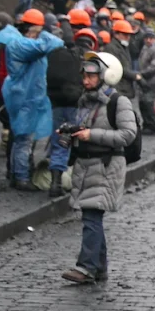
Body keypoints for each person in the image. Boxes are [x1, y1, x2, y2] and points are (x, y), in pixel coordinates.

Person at [60, 52, 138, 284]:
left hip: (106, 165)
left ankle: (86, 267)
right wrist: (71, 132)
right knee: (91, 214)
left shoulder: (119, 102)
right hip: (86, 164)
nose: (86, 79)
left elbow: (128, 134)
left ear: (106, 76)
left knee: (91, 214)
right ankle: (99, 267)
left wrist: (90, 134)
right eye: (84, 75)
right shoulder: (85, 101)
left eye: (92, 75)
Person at [0, 9, 64, 191]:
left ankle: (17, 174)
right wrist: (49, 34)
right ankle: (21, 177)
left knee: (22, 139)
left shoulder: (21, 42)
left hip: (28, 96)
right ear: (31, 29)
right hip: (24, 97)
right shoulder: (21, 45)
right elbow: (51, 44)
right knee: (23, 139)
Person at [45, 20, 93, 197]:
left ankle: (55, 182)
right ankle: (70, 184)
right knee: (75, 144)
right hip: (77, 107)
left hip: (58, 106)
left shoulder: (60, 55)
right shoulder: (90, 60)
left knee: (60, 142)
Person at [135, 30, 155, 136]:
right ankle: (147, 125)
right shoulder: (145, 47)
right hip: (146, 79)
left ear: (154, 38)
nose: (148, 40)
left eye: (150, 38)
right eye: (146, 38)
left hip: (152, 80)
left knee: (147, 103)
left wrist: (141, 73)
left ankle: (151, 126)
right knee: (143, 103)